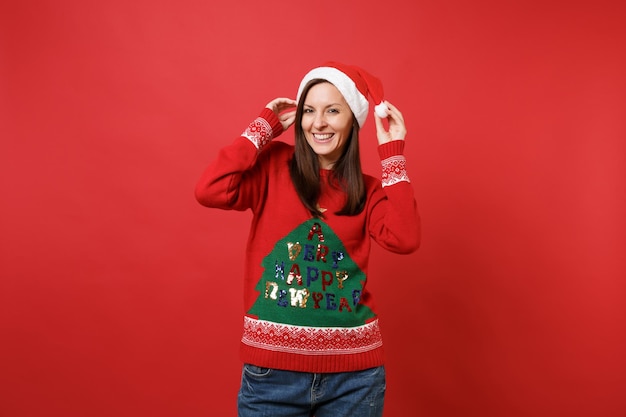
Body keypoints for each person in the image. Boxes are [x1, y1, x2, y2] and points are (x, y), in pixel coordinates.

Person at [195, 61, 420, 417]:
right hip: (271, 379)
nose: (318, 123)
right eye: (309, 111)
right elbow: (211, 190)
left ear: (353, 121)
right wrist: (260, 131)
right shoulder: (272, 166)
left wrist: (392, 153)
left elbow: (404, 238)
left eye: (333, 110)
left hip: (355, 380)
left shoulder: (370, 191)